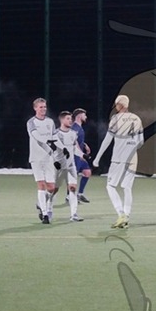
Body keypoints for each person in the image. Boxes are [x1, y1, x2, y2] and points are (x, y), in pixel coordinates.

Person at [93, 95, 144, 228]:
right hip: (133, 157)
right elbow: (141, 142)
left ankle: (121, 214)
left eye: (116, 104)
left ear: (119, 105)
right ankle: (126, 216)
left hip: (119, 158)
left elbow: (107, 139)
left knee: (110, 186)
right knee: (127, 187)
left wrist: (97, 157)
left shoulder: (115, 119)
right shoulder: (137, 118)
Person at [27, 98, 59, 224]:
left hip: (49, 158)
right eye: (40, 107)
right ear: (35, 108)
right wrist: (47, 141)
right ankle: (45, 214)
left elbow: (54, 136)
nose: (43, 109)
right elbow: (36, 136)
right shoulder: (31, 122)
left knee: (51, 188)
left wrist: (61, 148)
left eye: (44, 107)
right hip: (36, 158)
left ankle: (40, 203)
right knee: (41, 184)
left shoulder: (50, 122)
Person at [54, 111, 84, 222]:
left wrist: (82, 155)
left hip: (71, 166)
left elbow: (74, 148)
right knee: (53, 189)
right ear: (62, 120)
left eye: (71, 118)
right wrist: (54, 161)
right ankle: (44, 207)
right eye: (68, 118)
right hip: (59, 167)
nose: (70, 120)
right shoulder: (56, 134)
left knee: (72, 188)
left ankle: (74, 215)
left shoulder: (73, 133)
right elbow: (51, 149)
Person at [71, 108, 92, 202]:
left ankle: (80, 194)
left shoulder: (79, 127)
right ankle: (69, 196)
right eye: (84, 115)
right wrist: (81, 154)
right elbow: (73, 142)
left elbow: (78, 140)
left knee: (87, 172)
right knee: (73, 177)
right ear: (79, 116)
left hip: (80, 155)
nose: (86, 117)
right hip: (75, 155)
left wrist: (85, 145)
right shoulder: (75, 127)